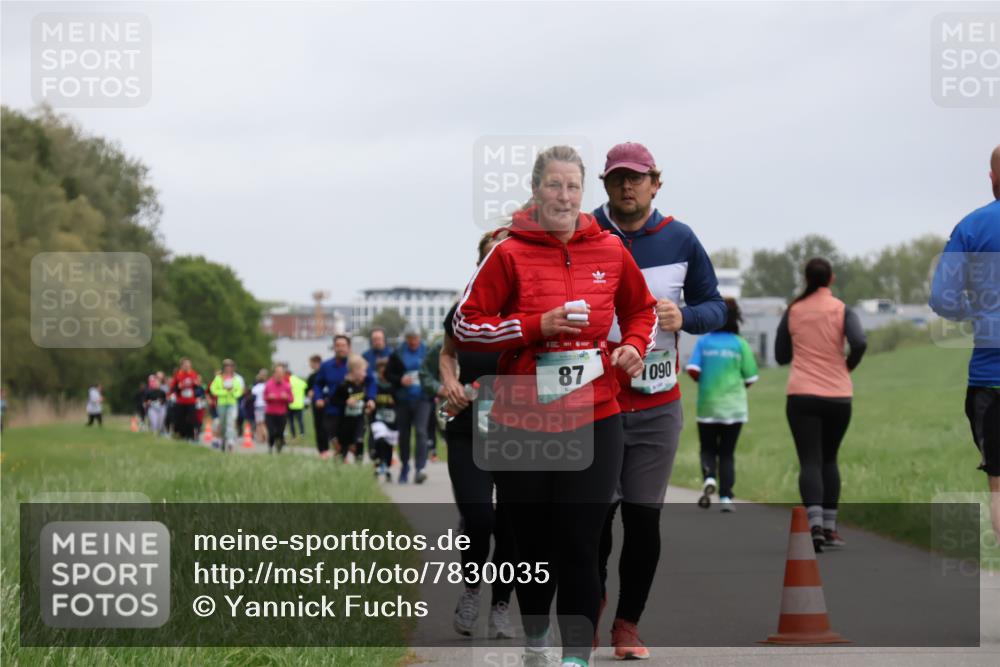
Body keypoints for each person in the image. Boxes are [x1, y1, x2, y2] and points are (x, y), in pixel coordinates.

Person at [453, 145, 657, 667]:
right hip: (522, 411)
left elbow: (642, 309)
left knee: (582, 538)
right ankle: (537, 636)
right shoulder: (508, 253)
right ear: (536, 190)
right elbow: (467, 327)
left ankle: (575, 656)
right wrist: (532, 327)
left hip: (596, 411)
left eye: (572, 187)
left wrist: (633, 345)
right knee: (532, 542)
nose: (563, 196)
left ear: (581, 193)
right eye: (553, 186)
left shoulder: (610, 251)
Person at [591, 141, 726, 659]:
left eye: (637, 178)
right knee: (595, 521)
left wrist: (684, 318)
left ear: (655, 184)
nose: (628, 186)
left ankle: (628, 626)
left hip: (656, 402)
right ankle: (592, 602)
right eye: (618, 178)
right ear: (605, 185)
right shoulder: (585, 235)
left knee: (644, 520)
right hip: (595, 401)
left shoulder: (681, 239)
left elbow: (714, 306)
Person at [438, 228, 517, 640]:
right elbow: (448, 354)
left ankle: (501, 605)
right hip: (468, 427)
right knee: (479, 516)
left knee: (511, 523)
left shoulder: (528, 312)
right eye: (489, 259)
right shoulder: (463, 311)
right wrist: (450, 381)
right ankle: (472, 588)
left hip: (522, 430)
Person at [929, 144, 1000, 542]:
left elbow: (942, 298)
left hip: (991, 378)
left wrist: (976, 314)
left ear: (992, 178)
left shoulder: (971, 227)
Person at [775, 257, 867, 552]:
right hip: (838, 395)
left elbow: (780, 356)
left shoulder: (793, 310)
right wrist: (847, 366)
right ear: (831, 278)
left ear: (806, 278)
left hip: (802, 395)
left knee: (810, 460)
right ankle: (830, 528)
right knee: (830, 458)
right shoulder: (842, 309)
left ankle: (813, 526)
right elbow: (860, 342)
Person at [687, 297, 759, 511]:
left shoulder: (704, 342)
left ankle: (709, 477)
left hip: (707, 405)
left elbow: (692, 369)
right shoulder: (740, 344)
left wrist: (706, 382)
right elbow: (751, 378)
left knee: (708, 448)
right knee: (727, 453)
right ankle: (726, 498)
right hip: (734, 407)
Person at [314, 336, 376, 459]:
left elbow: (371, 381)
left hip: (352, 412)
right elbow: (318, 384)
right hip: (333, 408)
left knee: (352, 438)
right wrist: (318, 397)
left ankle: (349, 456)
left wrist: (370, 398)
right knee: (334, 437)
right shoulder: (326, 366)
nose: (340, 349)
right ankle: (340, 456)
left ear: (349, 347)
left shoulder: (355, 364)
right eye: (338, 345)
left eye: (343, 346)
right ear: (334, 347)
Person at [386, 327, 432, 483]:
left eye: (416, 339)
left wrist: (435, 389)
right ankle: (405, 467)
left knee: (421, 431)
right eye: (410, 339)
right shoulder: (397, 353)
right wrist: (400, 380)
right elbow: (388, 374)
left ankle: (420, 469)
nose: (413, 342)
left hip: (423, 398)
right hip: (403, 399)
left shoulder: (428, 351)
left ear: (419, 338)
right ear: (406, 339)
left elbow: (436, 370)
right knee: (404, 435)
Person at [331, 354, 375, 461]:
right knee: (343, 447)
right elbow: (333, 401)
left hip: (359, 420)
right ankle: (339, 465)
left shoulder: (362, 385)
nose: (365, 374)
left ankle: (358, 464)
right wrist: (345, 402)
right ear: (355, 370)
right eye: (363, 371)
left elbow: (363, 399)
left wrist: (368, 404)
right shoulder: (343, 385)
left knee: (359, 441)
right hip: (344, 422)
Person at [210, 359, 245, 452]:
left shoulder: (235, 379)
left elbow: (239, 391)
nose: (228, 368)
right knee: (222, 423)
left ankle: (230, 440)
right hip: (222, 403)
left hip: (232, 403)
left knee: (231, 421)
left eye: (230, 366)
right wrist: (225, 391)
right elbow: (213, 390)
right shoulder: (218, 378)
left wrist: (232, 392)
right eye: (226, 366)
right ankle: (222, 439)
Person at [371, 358, 398, 480]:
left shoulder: (394, 386)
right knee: (379, 440)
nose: (383, 375)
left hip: (392, 421)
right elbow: (369, 397)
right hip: (378, 419)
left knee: (388, 445)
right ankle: (378, 462)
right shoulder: (375, 385)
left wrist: (395, 401)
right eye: (380, 372)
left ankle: (386, 465)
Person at [263, 364, 293, 453]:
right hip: (270, 413)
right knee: (271, 432)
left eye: (281, 373)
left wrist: (286, 397)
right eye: (278, 372)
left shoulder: (287, 385)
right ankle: (270, 447)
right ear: (274, 374)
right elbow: (264, 397)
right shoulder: (268, 384)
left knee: (280, 433)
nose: (280, 375)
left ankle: (279, 447)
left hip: (282, 413)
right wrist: (269, 397)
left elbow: (291, 399)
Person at [170, 358, 201, 440]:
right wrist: (179, 387)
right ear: (182, 366)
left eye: (188, 364)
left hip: (191, 401)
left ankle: (191, 436)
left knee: (192, 419)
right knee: (180, 419)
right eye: (185, 365)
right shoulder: (178, 374)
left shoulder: (193, 373)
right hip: (180, 401)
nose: (187, 366)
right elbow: (172, 387)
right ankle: (180, 435)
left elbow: (198, 387)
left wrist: (196, 385)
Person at [306, 355, 328, 457]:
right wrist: (309, 393)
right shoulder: (311, 377)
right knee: (318, 426)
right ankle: (321, 450)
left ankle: (326, 448)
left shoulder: (326, 375)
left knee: (325, 426)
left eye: (311, 363)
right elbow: (307, 389)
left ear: (316, 362)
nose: (310, 365)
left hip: (326, 404)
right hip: (315, 404)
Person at [288, 372, 308, 440]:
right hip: (299, 404)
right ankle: (302, 433)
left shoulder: (289, 381)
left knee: (291, 421)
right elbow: (306, 388)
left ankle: (293, 434)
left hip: (290, 404)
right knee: (300, 420)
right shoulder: (301, 382)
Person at [251, 369, 268, 443]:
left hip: (258, 406)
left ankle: (260, 438)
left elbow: (252, 396)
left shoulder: (255, 388)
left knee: (258, 423)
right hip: (266, 406)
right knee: (264, 423)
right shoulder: (266, 386)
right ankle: (266, 437)